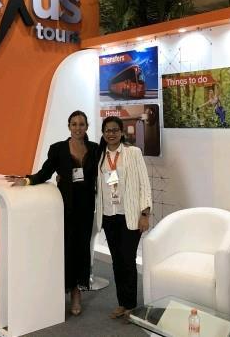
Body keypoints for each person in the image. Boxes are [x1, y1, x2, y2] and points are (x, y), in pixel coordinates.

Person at [25, 110, 98, 316]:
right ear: (68, 127)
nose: (78, 128)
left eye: (81, 124)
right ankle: (61, 288)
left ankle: (76, 292)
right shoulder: (57, 149)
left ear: (87, 126)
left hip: (86, 208)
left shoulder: (94, 149)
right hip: (65, 207)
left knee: (82, 249)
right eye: (74, 124)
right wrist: (28, 180)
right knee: (66, 249)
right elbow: (45, 172)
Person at [96, 116, 152, 319]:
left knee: (128, 260)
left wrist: (144, 214)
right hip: (109, 215)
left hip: (130, 215)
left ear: (121, 132)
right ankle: (122, 303)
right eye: (107, 130)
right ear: (103, 133)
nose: (111, 134)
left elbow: (144, 183)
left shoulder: (133, 152)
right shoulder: (99, 155)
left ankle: (131, 306)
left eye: (114, 130)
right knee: (117, 261)